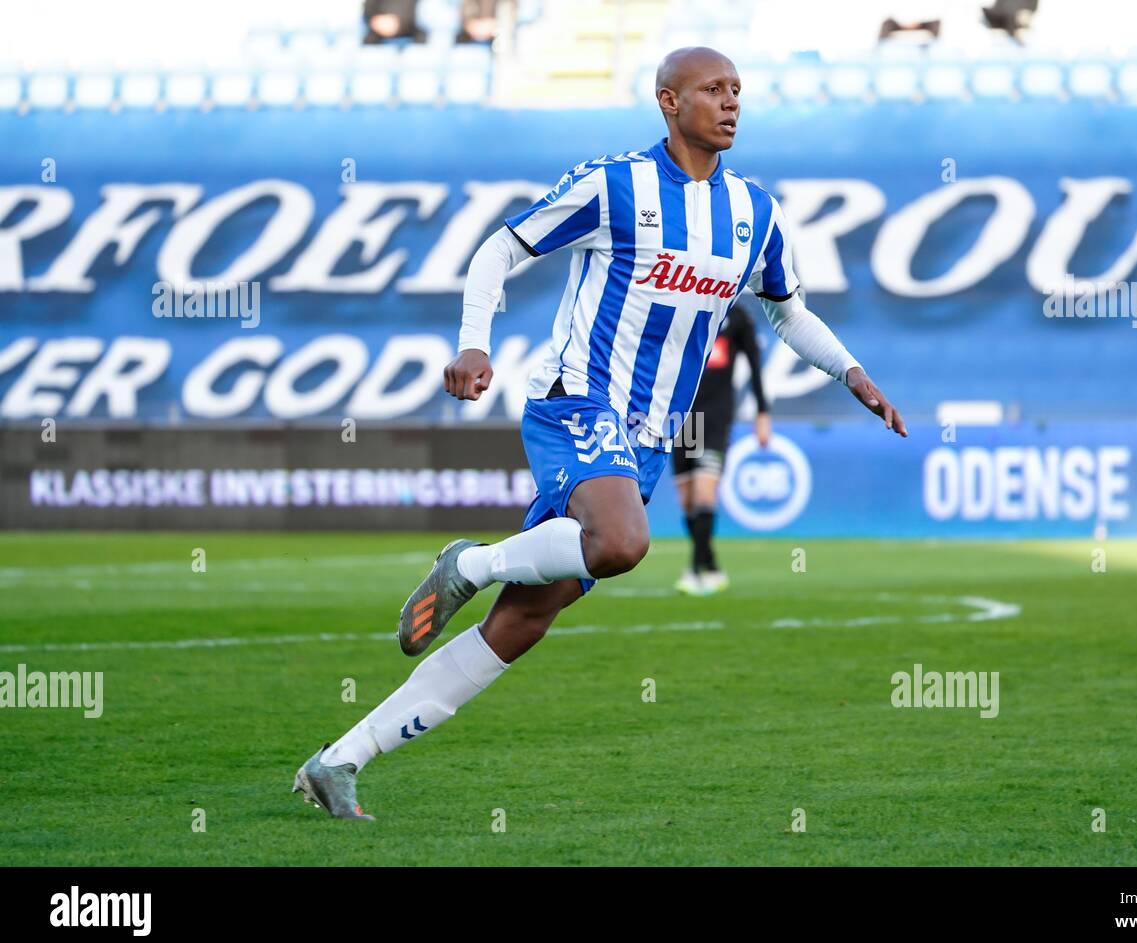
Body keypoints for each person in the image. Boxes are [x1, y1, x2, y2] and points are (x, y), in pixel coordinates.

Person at [293, 46, 907, 819]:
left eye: (738, 91)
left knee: (522, 623)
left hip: (647, 438)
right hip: (577, 402)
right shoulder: (614, 184)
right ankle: (471, 562)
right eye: (713, 90)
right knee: (622, 544)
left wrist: (850, 372)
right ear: (667, 101)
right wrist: (474, 341)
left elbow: (787, 309)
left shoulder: (754, 211)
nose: (731, 102)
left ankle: (340, 761)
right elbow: (500, 248)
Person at [673, 299, 770, 596]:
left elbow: (754, 365)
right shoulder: (680, 306)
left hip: (715, 417)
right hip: (682, 416)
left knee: (704, 492)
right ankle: (711, 563)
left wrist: (762, 413)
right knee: (688, 500)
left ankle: (693, 570)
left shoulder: (738, 317)